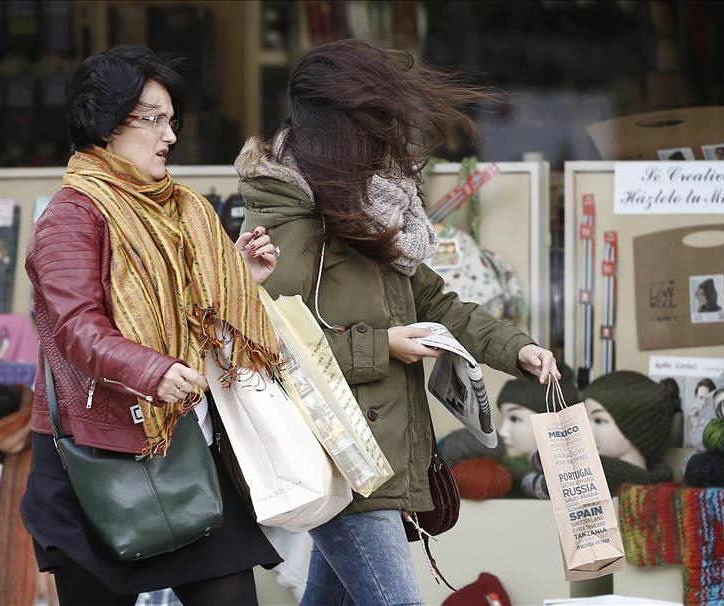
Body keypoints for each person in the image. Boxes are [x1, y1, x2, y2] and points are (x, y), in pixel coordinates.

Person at [237, 39, 560, 605]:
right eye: (377, 118)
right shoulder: (290, 209)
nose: (392, 134)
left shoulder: (373, 201)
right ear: (340, 124)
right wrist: (382, 345)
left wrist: (517, 349)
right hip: (342, 453)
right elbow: (270, 345)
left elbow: (434, 299)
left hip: (379, 449)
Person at [21, 46, 283, 606]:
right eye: (153, 119)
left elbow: (185, 310)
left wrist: (240, 280)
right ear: (107, 123)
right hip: (96, 457)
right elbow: (75, 328)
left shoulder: (176, 209)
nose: (169, 136)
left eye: (171, 120)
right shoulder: (71, 215)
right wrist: (153, 370)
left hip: (183, 449)